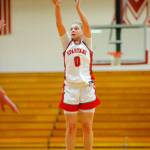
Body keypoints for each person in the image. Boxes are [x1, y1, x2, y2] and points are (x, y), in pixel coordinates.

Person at [52, 0, 101, 149]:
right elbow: (59, 25)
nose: (73, 30)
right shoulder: (66, 43)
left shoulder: (87, 43)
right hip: (70, 88)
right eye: (71, 28)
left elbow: (87, 26)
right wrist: (57, 7)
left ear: (81, 31)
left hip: (87, 87)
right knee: (71, 127)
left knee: (87, 126)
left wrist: (78, 8)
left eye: (76, 28)